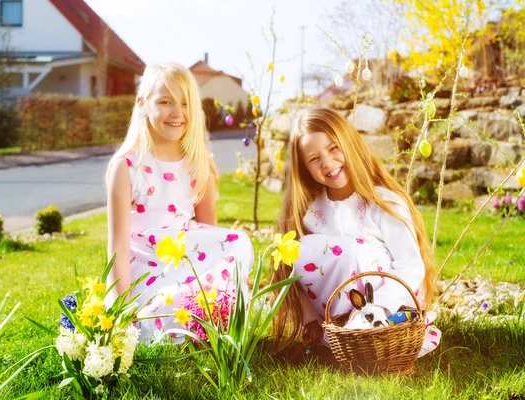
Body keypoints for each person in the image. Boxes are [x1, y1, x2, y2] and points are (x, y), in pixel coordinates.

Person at [272, 107, 440, 356]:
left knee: (353, 253)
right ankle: (335, 333)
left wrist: (377, 307)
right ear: (305, 168)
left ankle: (367, 331)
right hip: (335, 315)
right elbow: (294, 273)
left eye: (333, 148)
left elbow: (411, 267)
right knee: (298, 249)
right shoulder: (310, 211)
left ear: (349, 144)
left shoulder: (383, 203)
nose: (328, 163)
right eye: (314, 159)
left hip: (387, 306)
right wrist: (309, 319)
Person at [105, 62, 253, 341]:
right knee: (167, 308)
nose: (177, 112)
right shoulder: (126, 167)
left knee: (238, 242)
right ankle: (159, 325)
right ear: (142, 103)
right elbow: (118, 248)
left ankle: (210, 321)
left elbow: (213, 239)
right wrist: (121, 311)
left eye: (185, 104)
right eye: (165, 102)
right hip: (146, 269)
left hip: (187, 265)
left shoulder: (200, 166)